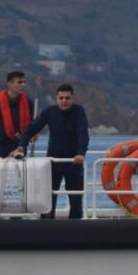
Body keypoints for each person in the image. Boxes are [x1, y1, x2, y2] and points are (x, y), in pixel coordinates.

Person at [10, 83, 90, 219]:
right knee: (48, 200)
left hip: (74, 162)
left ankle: (76, 230)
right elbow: (31, 129)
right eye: (61, 98)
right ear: (56, 98)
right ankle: (46, 230)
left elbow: (83, 134)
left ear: (73, 98)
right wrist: (21, 145)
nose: (64, 101)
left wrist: (81, 153)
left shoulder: (79, 111)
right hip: (53, 162)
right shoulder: (50, 111)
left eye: (67, 98)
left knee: (76, 200)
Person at [0, 71, 33, 158]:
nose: (23, 85)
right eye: (19, 82)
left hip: (19, 149)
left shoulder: (28, 103)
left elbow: (32, 125)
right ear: (9, 84)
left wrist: (34, 133)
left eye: (24, 82)